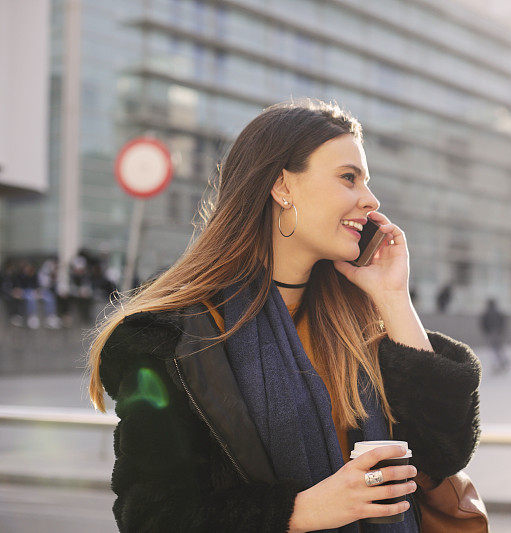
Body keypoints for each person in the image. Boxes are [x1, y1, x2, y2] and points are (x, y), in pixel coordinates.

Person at [86, 99, 482, 532]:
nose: (371, 199)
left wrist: (393, 297)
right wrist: (303, 510)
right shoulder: (170, 340)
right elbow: (152, 518)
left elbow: (444, 453)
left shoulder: (358, 322)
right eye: (348, 177)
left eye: (365, 181)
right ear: (282, 187)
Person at [479, 297, 510, 374]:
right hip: (498, 333)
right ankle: (503, 362)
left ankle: (496, 365)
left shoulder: (486, 313)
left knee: (493, 349)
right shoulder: (499, 312)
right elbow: (503, 322)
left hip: (490, 333)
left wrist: (486, 331)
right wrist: (501, 331)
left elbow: (483, 324)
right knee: (499, 349)